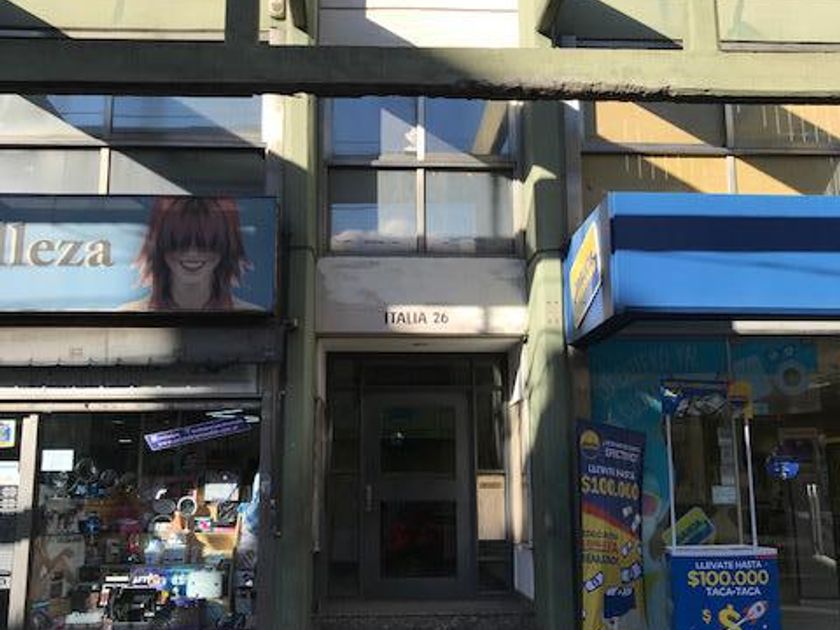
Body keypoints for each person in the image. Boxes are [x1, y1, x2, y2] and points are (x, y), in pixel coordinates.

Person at [122, 197, 256, 311]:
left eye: (204, 244)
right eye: (180, 243)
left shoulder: (250, 316)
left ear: (225, 246)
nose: (192, 253)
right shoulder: (128, 314)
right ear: (160, 244)